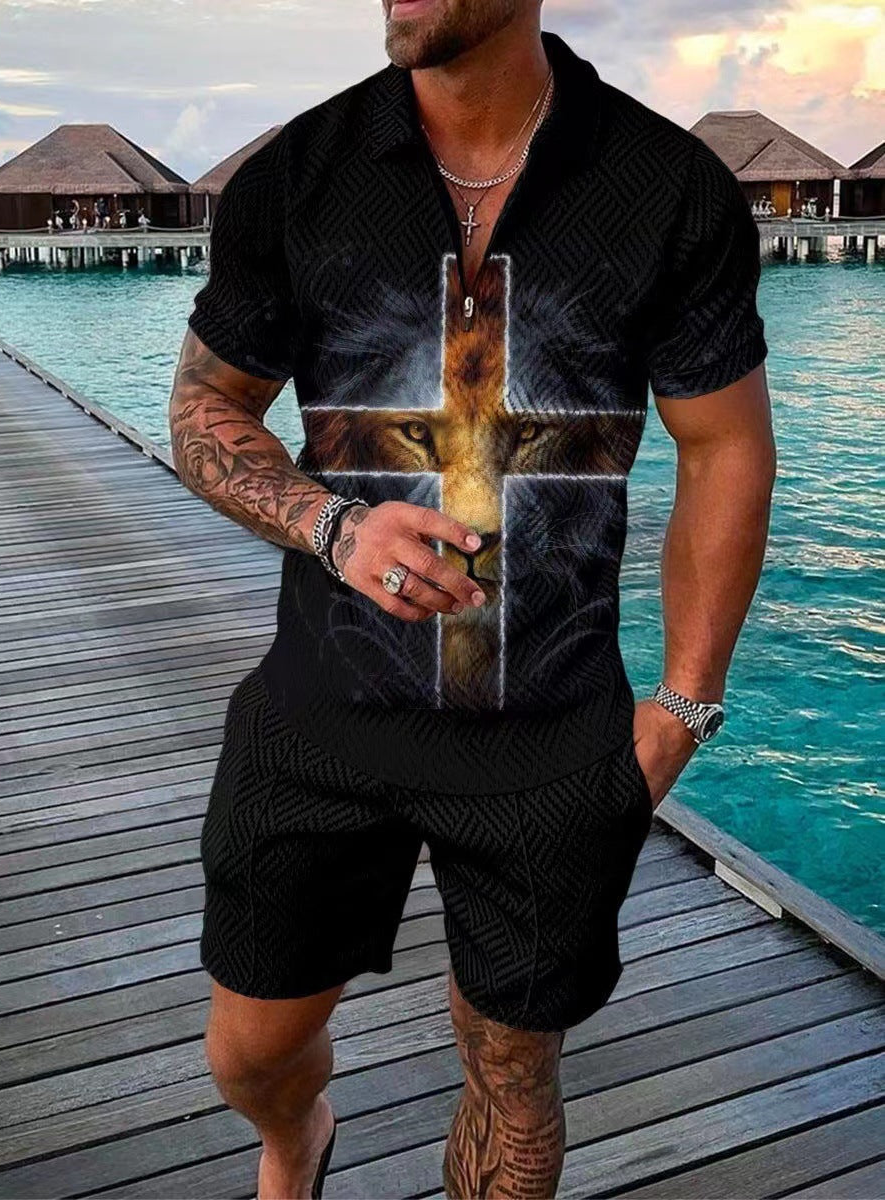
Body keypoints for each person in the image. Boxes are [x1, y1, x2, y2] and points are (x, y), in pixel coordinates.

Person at [170, 3, 775, 1197]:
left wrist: (684, 706)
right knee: (250, 1052)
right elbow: (206, 408)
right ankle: (296, 1138)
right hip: (323, 706)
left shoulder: (666, 187)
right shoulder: (298, 176)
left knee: (512, 1072)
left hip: (546, 730)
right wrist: (334, 526)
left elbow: (725, 446)